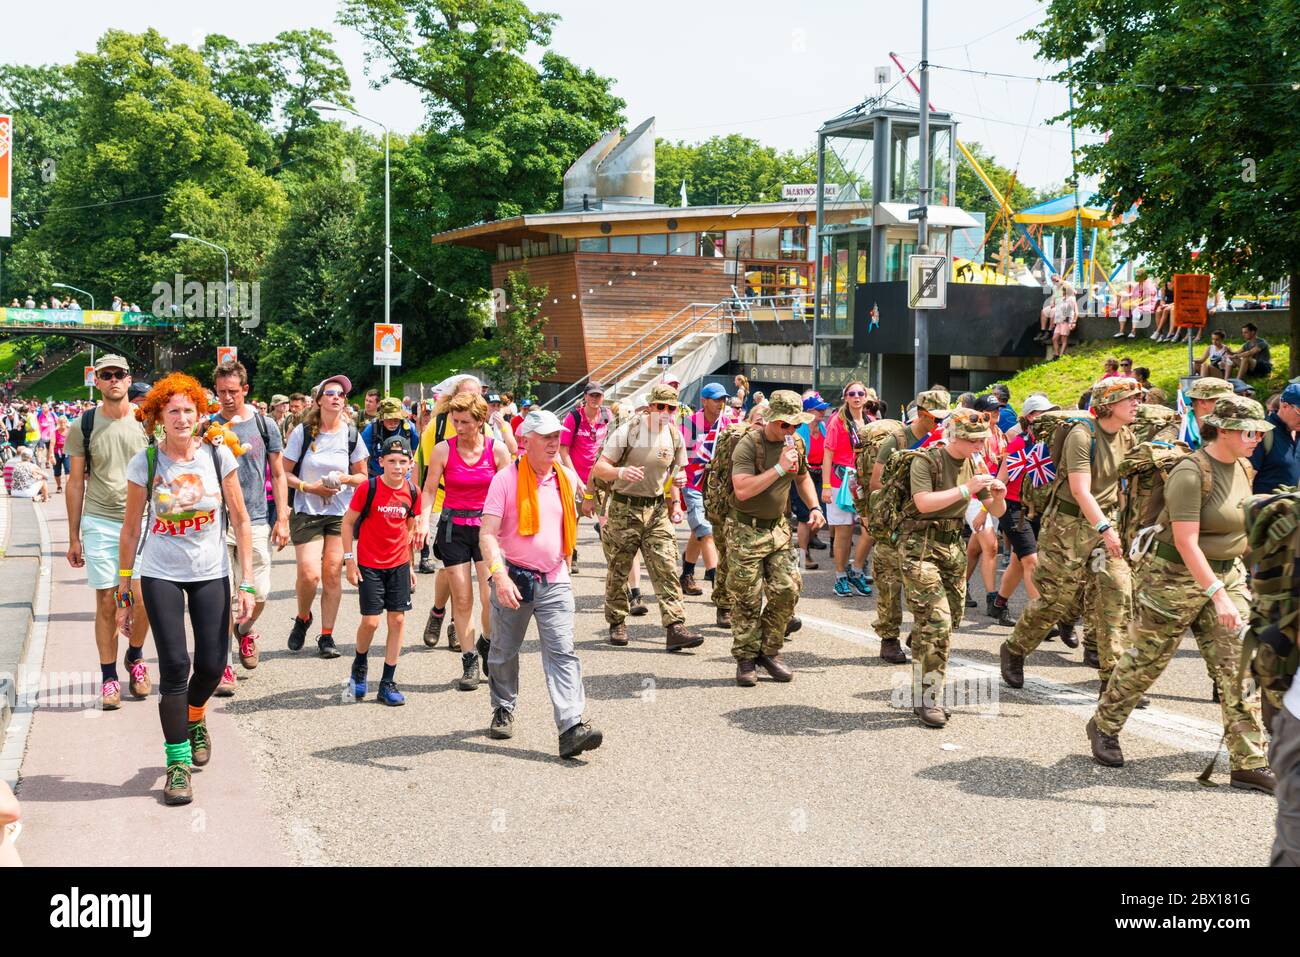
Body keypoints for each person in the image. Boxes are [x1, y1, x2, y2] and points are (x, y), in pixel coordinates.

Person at [1088, 396, 1274, 793]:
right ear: (1222, 429)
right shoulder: (1191, 472)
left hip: (1227, 575)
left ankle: (1249, 761)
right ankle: (1104, 724)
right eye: (1249, 431)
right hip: (1174, 578)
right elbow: (1188, 543)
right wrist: (1218, 595)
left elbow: (1239, 528)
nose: (1257, 437)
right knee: (1146, 661)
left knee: (1239, 667)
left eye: (1260, 431)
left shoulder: (1243, 466)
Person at [116, 373, 255, 806]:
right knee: (175, 666)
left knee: (213, 666)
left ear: (199, 415)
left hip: (211, 570)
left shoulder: (218, 457)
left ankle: (196, 716)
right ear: (158, 416)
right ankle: (177, 766)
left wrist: (246, 581)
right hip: (161, 572)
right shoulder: (147, 462)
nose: (180, 418)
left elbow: (241, 519)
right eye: (172, 411)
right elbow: (131, 528)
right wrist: (125, 586)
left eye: (188, 411)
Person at [1000, 377, 1140, 692]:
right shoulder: (1082, 435)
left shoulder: (1127, 436)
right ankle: (1015, 648)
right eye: (1129, 398)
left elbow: (1121, 487)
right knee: (1054, 600)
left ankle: (1113, 678)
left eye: (1138, 398)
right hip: (1068, 525)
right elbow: (1079, 490)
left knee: (1116, 594)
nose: (1136, 403)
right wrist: (1105, 528)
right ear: (1109, 403)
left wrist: (1119, 525)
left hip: (1105, 525)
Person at [479, 409, 603, 758]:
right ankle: (503, 705)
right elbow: (487, 535)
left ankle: (571, 727)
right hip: (513, 579)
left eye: (557, 436)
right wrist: (498, 575)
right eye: (546, 437)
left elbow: (581, 511)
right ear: (525, 440)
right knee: (503, 652)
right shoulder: (504, 479)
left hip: (554, 580)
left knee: (562, 651)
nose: (554, 442)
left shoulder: (563, 476)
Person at [902, 408, 1006, 726]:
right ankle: (927, 699)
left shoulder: (975, 463)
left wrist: (998, 497)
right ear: (957, 437)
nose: (980, 447)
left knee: (946, 623)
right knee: (937, 622)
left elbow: (995, 508)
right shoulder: (926, 460)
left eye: (982, 441)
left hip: (952, 548)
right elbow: (923, 502)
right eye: (975, 441)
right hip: (919, 546)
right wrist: (967, 489)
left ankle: (922, 642)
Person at [65, 354, 153, 709]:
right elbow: (75, 483)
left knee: (143, 597)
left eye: (119, 374)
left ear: (129, 381)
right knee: (106, 602)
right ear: (97, 381)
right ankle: (108, 677)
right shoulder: (83, 425)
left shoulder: (148, 423)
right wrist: (74, 536)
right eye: (106, 375)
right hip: (101, 521)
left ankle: (135, 655)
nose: (114, 380)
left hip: (144, 521)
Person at [592, 384, 702, 650]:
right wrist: (620, 473)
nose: (665, 412)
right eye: (661, 406)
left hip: (655, 510)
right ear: (651, 406)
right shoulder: (630, 430)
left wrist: (677, 496)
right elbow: (599, 468)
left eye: (671, 408)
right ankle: (617, 621)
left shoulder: (674, 436)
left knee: (666, 565)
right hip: (624, 508)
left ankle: (675, 626)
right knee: (619, 567)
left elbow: (677, 474)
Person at [728, 390, 824, 685]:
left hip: (778, 528)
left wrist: (814, 506)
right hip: (745, 529)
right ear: (771, 420)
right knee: (747, 597)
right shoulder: (748, 445)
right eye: (785, 424)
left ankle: (769, 650)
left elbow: (802, 476)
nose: (791, 430)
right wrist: (779, 467)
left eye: (796, 425)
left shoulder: (794, 442)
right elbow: (742, 489)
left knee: (787, 590)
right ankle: (746, 658)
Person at [415, 391, 509, 690]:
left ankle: (486, 642)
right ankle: (469, 662)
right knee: (464, 598)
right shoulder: (443, 450)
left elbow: (509, 494)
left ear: (481, 421)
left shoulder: (497, 452)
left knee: (489, 598)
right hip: (453, 527)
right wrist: (423, 520)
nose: (458, 426)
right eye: (455, 421)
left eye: (465, 421)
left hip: (486, 531)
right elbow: (429, 490)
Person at [210, 360, 289, 693]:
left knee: (259, 592)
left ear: (245, 390)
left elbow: (280, 473)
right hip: (217, 522)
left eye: (233, 391)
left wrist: (283, 516)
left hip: (256, 517)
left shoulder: (264, 423)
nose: (227, 398)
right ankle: (223, 664)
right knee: (221, 597)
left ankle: (244, 631)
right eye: (222, 391)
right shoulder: (207, 427)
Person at [282, 376, 369, 657]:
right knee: (309, 575)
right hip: (307, 509)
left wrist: (345, 478)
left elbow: (363, 477)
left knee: (332, 573)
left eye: (341, 394)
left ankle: (327, 636)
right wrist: (310, 487)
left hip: (340, 513)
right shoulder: (303, 432)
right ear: (319, 400)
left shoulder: (351, 434)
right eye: (330, 393)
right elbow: (283, 473)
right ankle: (303, 617)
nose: (336, 397)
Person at [869, 390, 951, 663]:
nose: (939, 423)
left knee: (928, 586)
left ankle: (920, 632)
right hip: (898, 524)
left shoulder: (945, 439)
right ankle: (889, 638)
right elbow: (876, 484)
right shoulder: (897, 440)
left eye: (943, 418)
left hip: (929, 525)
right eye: (934, 418)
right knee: (890, 585)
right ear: (922, 414)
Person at [343, 435, 420, 706]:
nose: (397, 467)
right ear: (381, 462)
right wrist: (349, 560)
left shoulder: (412, 491)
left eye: (402, 461)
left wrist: (410, 565)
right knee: (371, 621)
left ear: (410, 463)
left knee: (397, 620)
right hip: (369, 564)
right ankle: (360, 665)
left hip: (398, 563)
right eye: (391, 461)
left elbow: (409, 528)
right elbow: (348, 521)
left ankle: (387, 682)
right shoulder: (368, 488)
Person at [418, 374, 487, 648]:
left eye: (477, 395)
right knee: (449, 572)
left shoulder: (487, 430)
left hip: (479, 513)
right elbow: (419, 468)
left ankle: (456, 629)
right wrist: (418, 515)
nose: (459, 426)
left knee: (481, 587)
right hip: (443, 505)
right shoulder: (437, 428)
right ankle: (438, 611)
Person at [989, 395, 1061, 627]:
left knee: (1018, 562)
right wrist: (985, 509)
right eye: (1043, 412)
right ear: (1030, 417)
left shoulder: (1052, 442)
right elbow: (1002, 477)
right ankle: (1039, 618)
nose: (1048, 416)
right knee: (1031, 560)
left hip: (1040, 509)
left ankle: (999, 604)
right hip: (1015, 509)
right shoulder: (1019, 443)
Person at [679, 381, 733, 594]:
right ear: (704, 401)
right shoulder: (690, 424)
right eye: (716, 399)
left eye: (723, 399)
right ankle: (717, 583)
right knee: (705, 530)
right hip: (693, 483)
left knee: (698, 530)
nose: (721, 403)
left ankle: (686, 574)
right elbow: (679, 456)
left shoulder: (727, 423)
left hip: (717, 487)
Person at [822, 381, 875, 597]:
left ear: (866, 397)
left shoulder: (871, 421)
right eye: (851, 393)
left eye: (860, 393)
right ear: (845, 397)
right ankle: (840, 576)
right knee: (843, 532)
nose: (856, 397)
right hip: (840, 481)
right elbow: (828, 453)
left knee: (871, 528)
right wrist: (825, 486)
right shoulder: (837, 421)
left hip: (863, 481)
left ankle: (856, 569)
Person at [563, 382, 612, 551]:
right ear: (585, 396)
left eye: (598, 395)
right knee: (572, 519)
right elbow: (563, 451)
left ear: (603, 397)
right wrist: (575, 480)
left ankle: (612, 559)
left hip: (600, 478)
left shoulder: (608, 416)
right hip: (577, 478)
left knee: (607, 519)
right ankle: (572, 553)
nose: (594, 398)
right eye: (591, 395)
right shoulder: (574, 417)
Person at [794, 393, 830, 568]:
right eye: (819, 409)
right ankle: (803, 557)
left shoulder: (823, 427)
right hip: (802, 475)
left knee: (820, 515)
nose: (823, 411)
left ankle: (803, 544)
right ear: (808, 411)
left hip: (820, 474)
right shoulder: (799, 429)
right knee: (803, 517)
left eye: (824, 408)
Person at [1249, 382, 1300, 494]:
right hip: (1263, 509)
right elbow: (1246, 479)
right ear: (1284, 406)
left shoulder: (1297, 432)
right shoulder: (1261, 432)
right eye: (1299, 413)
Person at [361, 397, 420, 478]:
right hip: (377, 477)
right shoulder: (371, 430)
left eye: (396, 419)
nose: (393, 423)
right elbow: (363, 458)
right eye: (389, 419)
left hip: (404, 477)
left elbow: (416, 454)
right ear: (382, 418)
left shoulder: (409, 428)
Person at [1181, 376, 1236, 449]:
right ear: (1202, 402)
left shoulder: (1232, 426)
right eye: (1223, 400)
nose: (1230, 405)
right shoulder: (1181, 430)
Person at [1050, 282, 1079, 359]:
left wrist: (1073, 322)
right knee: (1054, 338)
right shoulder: (1062, 299)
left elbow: (1076, 312)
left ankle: (1061, 355)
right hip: (1059, 321)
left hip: (1066, 321)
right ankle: (1056, 354)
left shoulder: (1072, 299)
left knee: (1063, 339)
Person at [51, 414, 70, 493]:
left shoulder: (70, 431)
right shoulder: (55, 432)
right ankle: (59, 486)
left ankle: (68, 487)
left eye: (64, 423)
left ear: (66, 422)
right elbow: (52, 445)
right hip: (57, 453)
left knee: (68, 470)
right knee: (57, 471)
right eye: (61, 423)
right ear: (58, 423)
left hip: (67, 453)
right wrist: (51, 455)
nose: (62, 425)